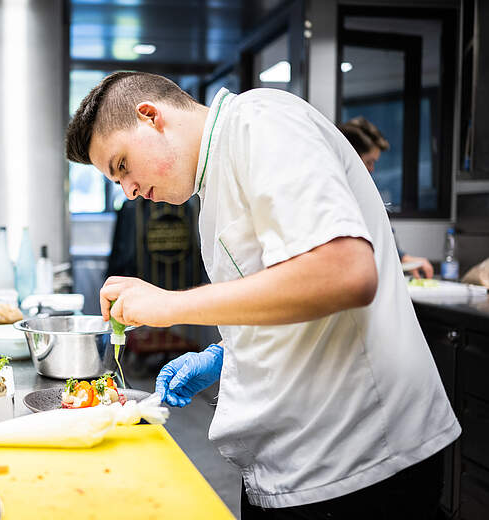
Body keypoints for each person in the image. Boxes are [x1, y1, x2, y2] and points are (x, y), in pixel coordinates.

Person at [65, 72, 460, 519]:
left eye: (122, 166)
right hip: (289, 464)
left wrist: (168, 305)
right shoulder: (212, 183)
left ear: (151, 117)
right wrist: (225, 353)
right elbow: (286, 291)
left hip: (361, 463)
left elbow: (344, 272)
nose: (129, 191)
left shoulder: (262, 122)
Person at [338, 117, 434, 279]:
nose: (372, 169)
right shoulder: (337, 192)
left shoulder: (362, 191)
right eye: (369, 162)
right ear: (351, 156)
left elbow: (379, 232)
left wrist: (404, 258)